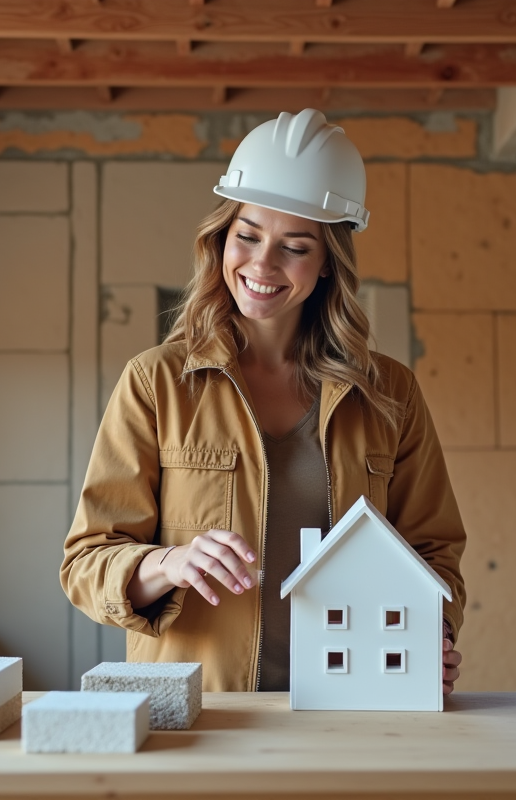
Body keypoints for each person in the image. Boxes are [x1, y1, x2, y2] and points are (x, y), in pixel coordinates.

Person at [61, 109, 466, 696]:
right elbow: (85, 563)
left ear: (328, 262)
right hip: (201, 717)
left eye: (294, 247)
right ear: (222, 236)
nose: (262, 265)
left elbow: (432, 549)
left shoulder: (389, 394)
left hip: (353, 707)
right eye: (247, 236)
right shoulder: (157, 383)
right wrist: (168, 564)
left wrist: (437, 635)